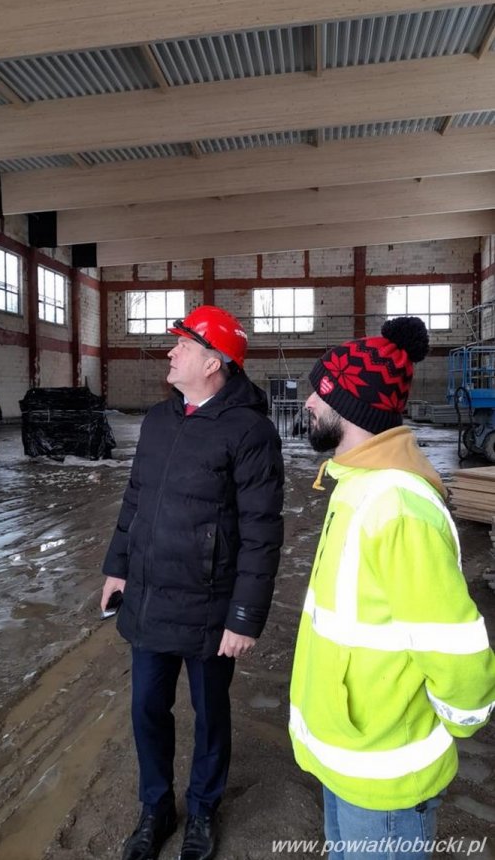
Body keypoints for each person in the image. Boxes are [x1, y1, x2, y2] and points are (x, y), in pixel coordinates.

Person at [290, 316, 495, 859]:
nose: (308, 401)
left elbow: (455, 651)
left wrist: (458, 717)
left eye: (320, 391)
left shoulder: (398, 507)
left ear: (352, 407)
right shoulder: (354, 485)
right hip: (351, 753)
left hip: (387, 773)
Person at [101, 305, 284, 860]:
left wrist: (244, 615)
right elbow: (135, 499)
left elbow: (262, 531)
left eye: (183, 344)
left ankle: (203, 808)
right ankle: (155, 808)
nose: (171, 351)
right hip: (150, 596)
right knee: (146, 710)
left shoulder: (250, 431)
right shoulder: (159, 420)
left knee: (210, 714)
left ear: (213, 362)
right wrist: (117, 567)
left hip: (210, 605)